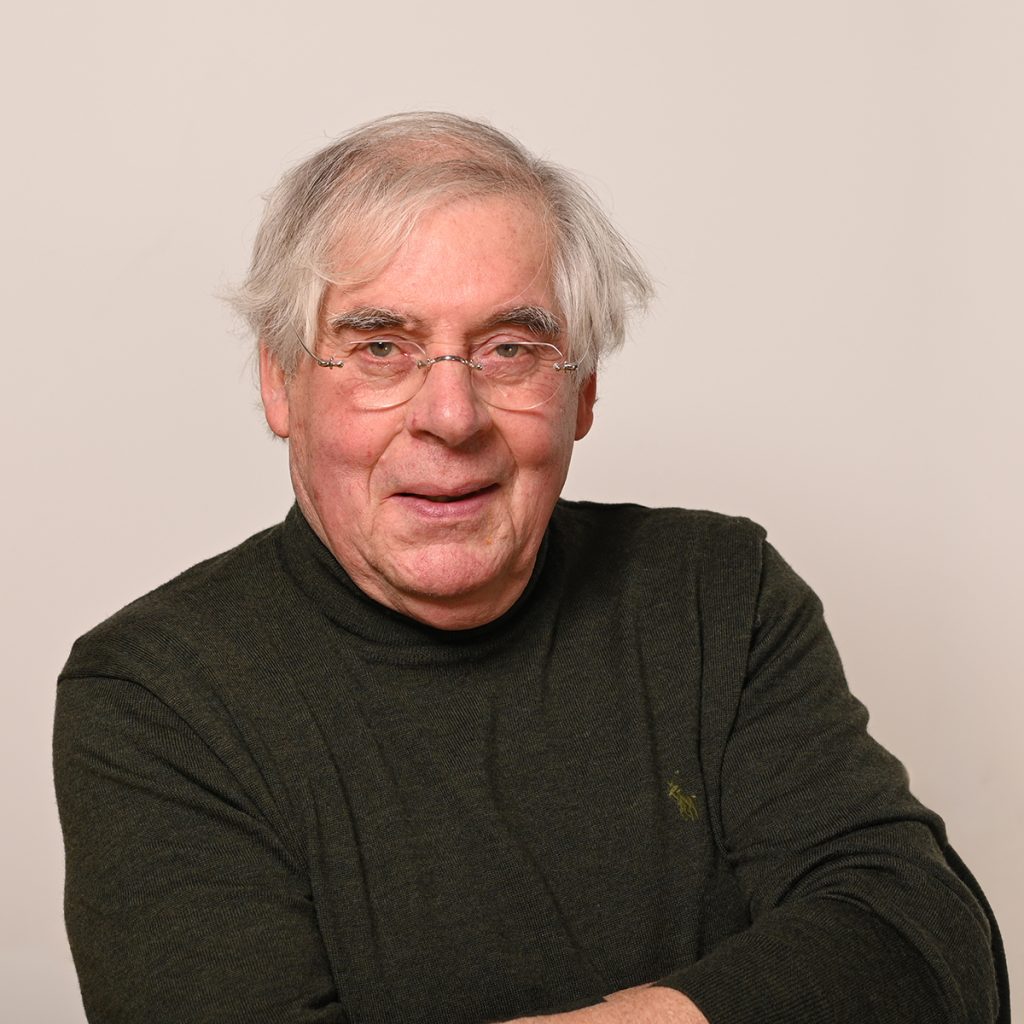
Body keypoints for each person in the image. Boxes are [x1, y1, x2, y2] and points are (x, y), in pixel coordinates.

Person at [53, 112, 1006, 1024]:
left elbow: (927, 949)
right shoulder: (156, 693)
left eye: (510, 349)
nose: (451, 417)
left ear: (583, 390)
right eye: (380, 347)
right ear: (280, 382)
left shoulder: (719, 595)